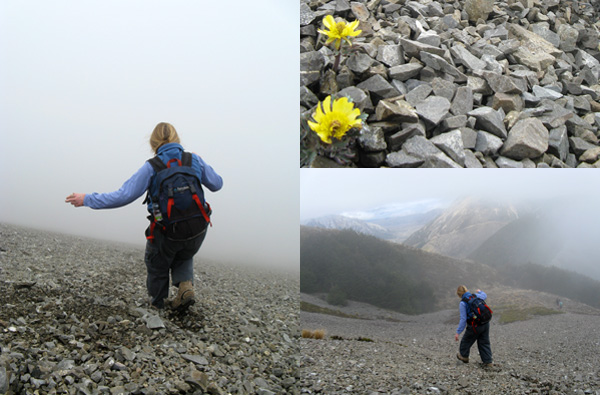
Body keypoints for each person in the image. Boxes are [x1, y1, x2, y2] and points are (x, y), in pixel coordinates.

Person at [65, 122, 223, 311]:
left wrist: (87, 199)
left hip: (168, 232)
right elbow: (217, 184)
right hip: (198, 228)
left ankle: (157, 306)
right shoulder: (194, 160)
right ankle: (185, 285)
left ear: (153, 143)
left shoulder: (152, 167)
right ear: (177, 139)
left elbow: (123, 196)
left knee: (157, 262)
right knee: (185, 252)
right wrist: (200, 161)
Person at [455, 285, 493, 367]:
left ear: (459, 294)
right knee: (484, 342)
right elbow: (484, 295)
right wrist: (479, 291)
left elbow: (463, 319)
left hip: (474, 325)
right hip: (485, 323)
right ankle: (488, 362)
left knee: (466, 341)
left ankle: (464, 357)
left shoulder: (463, 303)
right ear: (466, 290)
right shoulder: (475, 296)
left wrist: (458, 332)